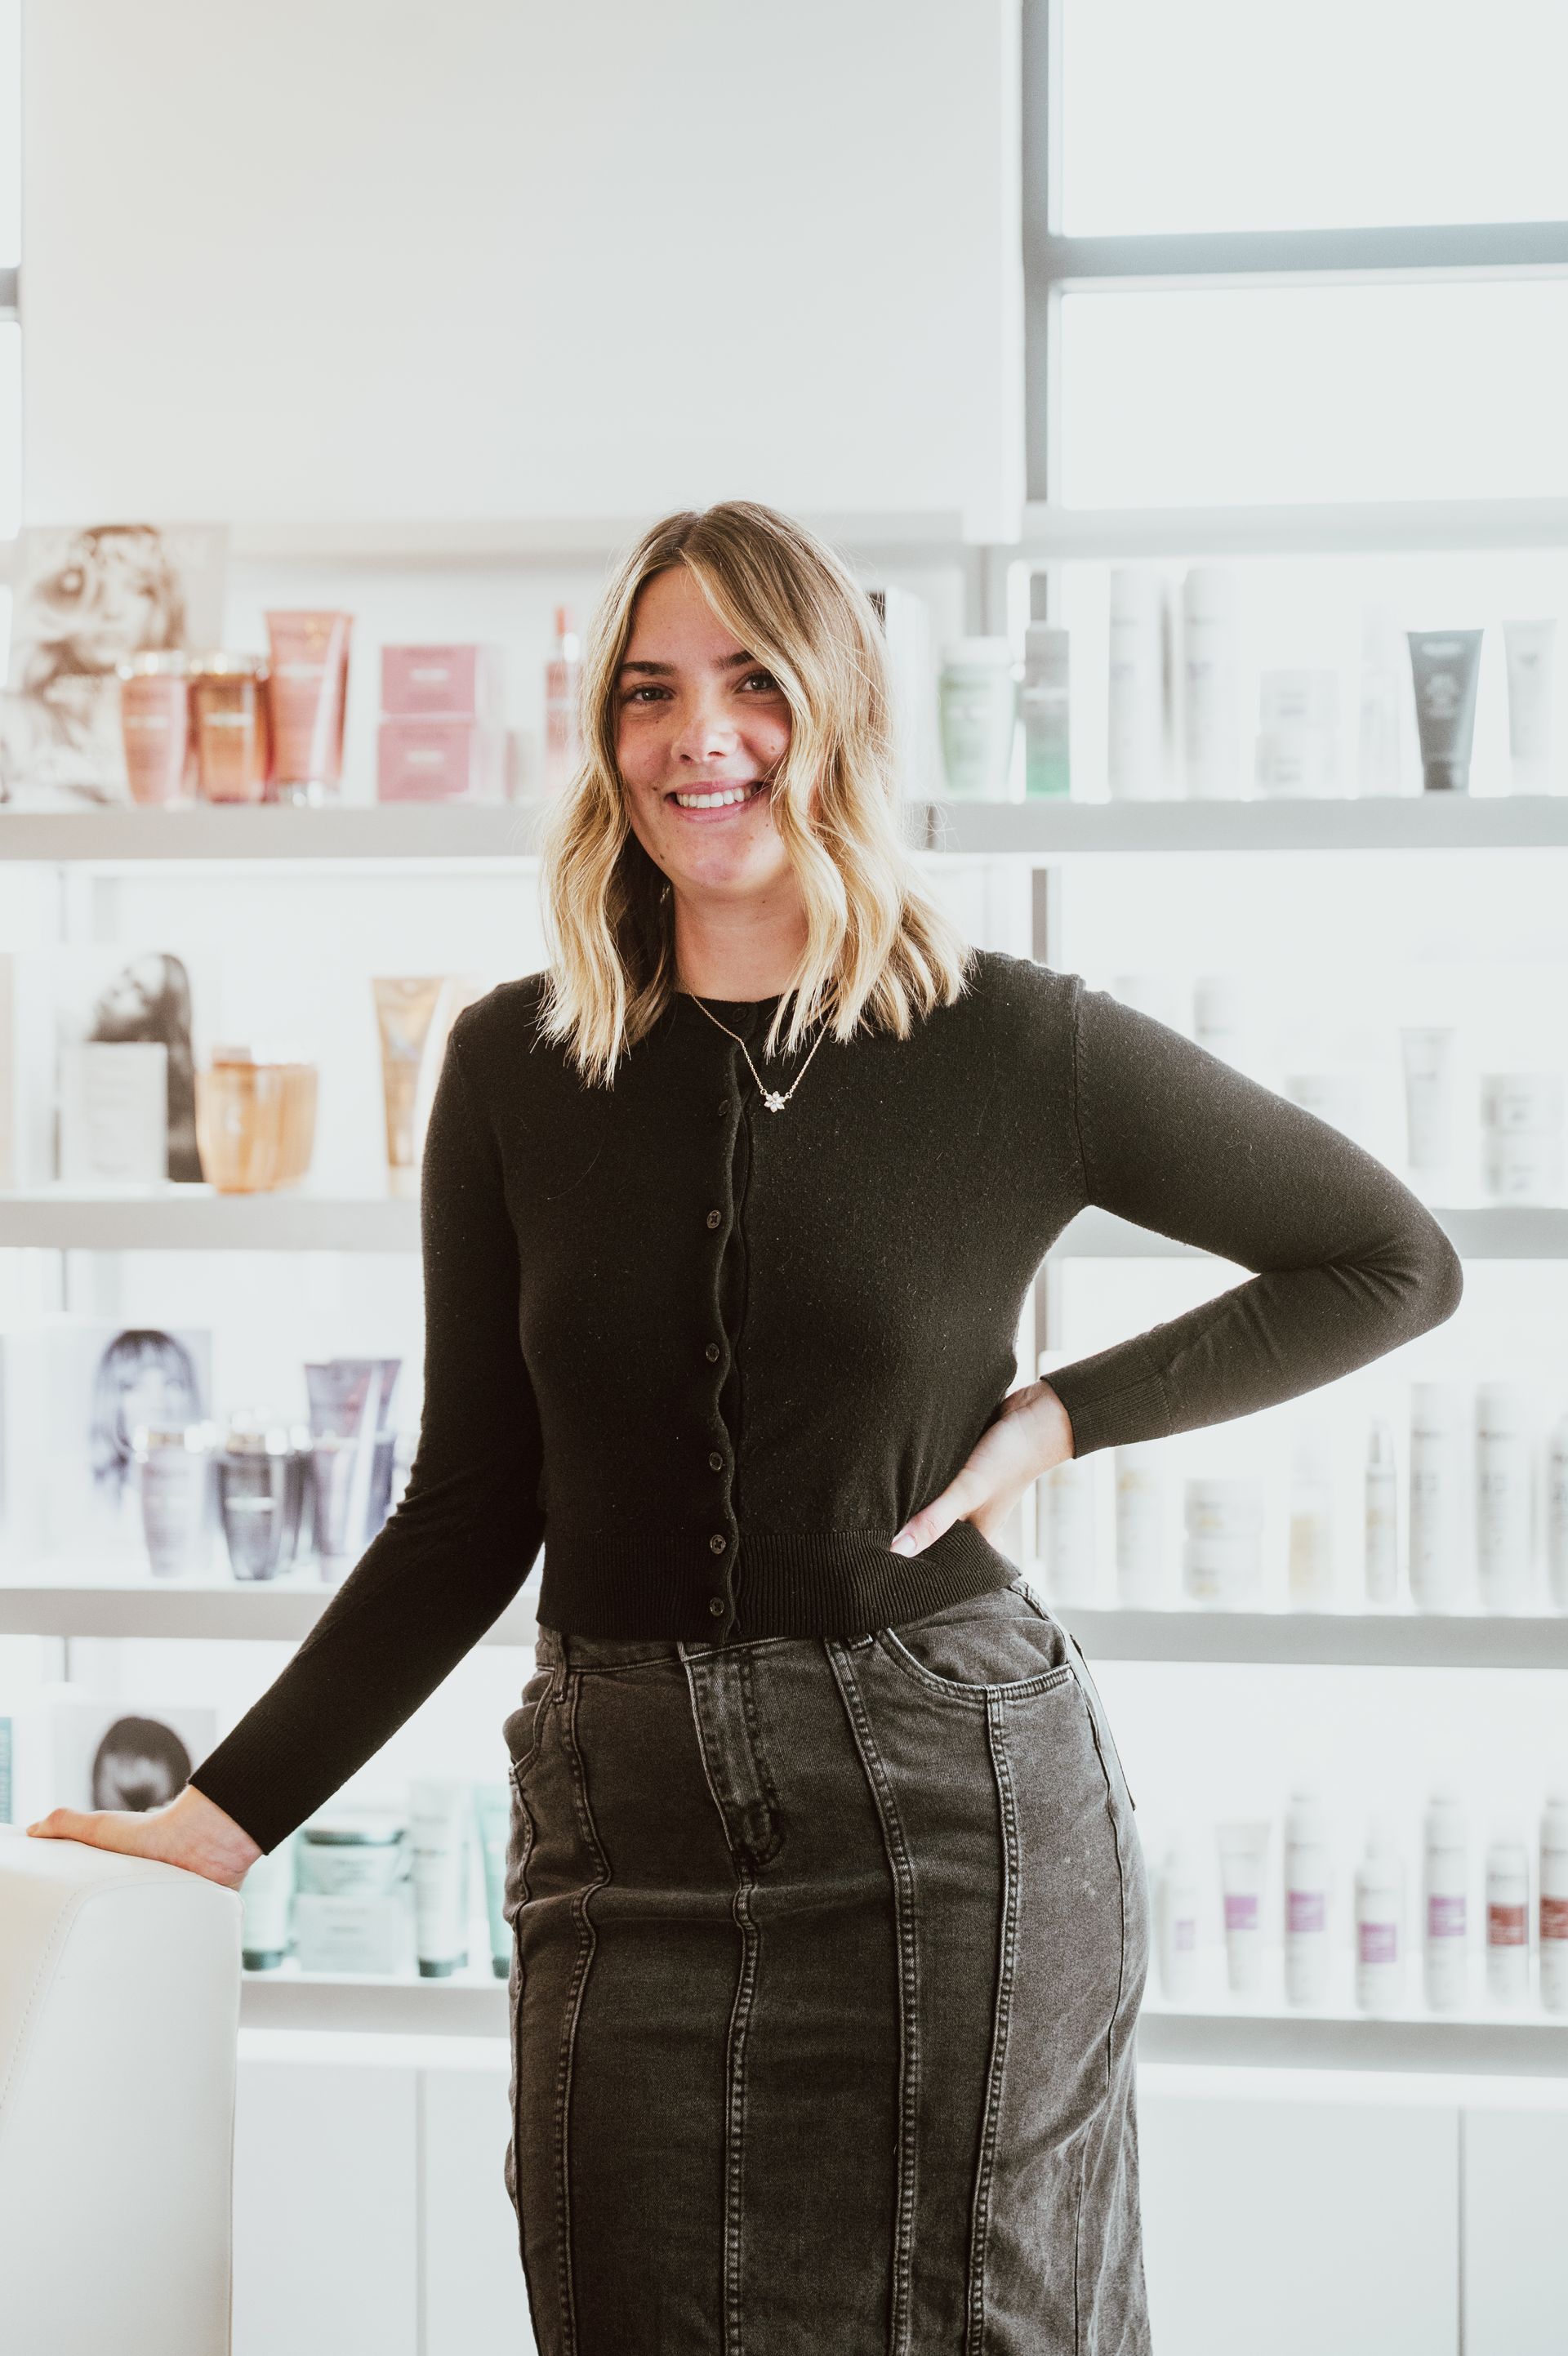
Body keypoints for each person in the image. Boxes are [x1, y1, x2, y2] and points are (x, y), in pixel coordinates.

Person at [31, 501, 1463, 2354]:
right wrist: (226, 1820)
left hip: (952, 1836)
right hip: (619, 1834)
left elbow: (1383, 1259)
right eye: (649, 693)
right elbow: (470, 1506)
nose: (696, 736)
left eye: (750, 683)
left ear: (837, 711)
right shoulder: (512, 1066)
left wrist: (1061, 1417)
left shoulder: (1014, 1043)